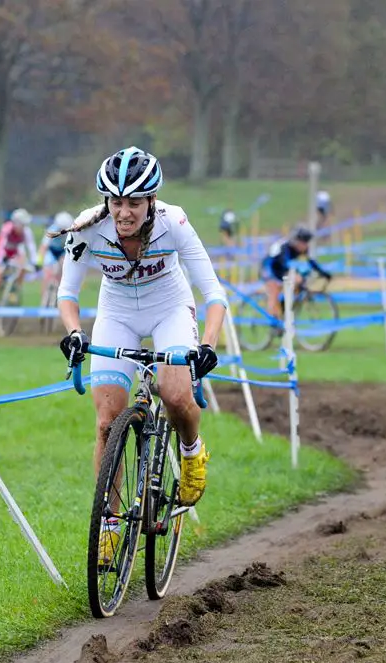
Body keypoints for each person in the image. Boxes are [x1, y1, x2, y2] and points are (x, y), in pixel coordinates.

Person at [50, 146, 226, 563]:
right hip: (117, 315)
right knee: (107, 423)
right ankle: (110, 524)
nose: (123, 212)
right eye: (115, 202)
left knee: (175, 393)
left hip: (170, 310)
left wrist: (208, 348)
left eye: (133, 203)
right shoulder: (86, 229)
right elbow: (67, 294)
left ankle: (191, 451)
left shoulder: (175, 222)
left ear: (151, 201)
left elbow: (214, 293)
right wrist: (75, 333)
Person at [261, 224, 331, 322]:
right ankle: (273, 318)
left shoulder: (301, 249)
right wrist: (297, 273)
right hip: (269, 269)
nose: (306, 246)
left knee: (298, 284)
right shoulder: (284, 247)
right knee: (275, 290)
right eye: (304, 243)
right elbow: (283, 264)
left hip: (281, 270)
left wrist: (323, 273)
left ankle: (285, 308)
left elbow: (310, 262)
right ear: (297, 241)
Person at [0, 208, 39, 313]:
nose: (23, 227)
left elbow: (31, 247)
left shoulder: (26, 231)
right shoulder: (7, 229)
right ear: (16, 223)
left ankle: (15, 289)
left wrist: (35, 262)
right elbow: (1, 245)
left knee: (23, 267)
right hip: (3, 253)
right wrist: (1, 260)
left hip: (15, 253)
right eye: (22, 224)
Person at [36, 211, 73, 304]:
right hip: (51, 251)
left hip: (62, 252)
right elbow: (43, 247)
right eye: (61, 228)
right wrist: (39, 261)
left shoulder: (70, 231)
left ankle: (59, 295)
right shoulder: (52, 229)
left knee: (63, 272)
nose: (63, 231)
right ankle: (43, 300)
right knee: (47, 274)